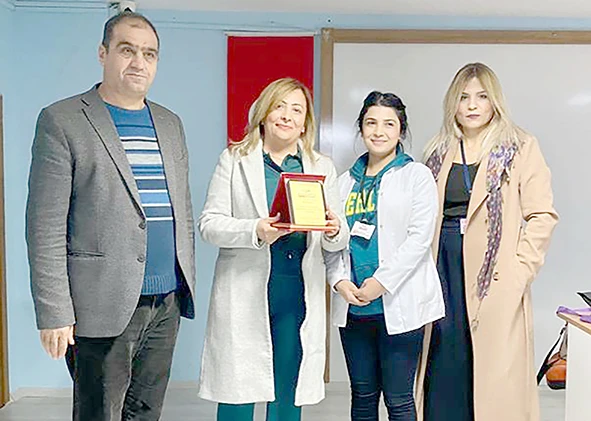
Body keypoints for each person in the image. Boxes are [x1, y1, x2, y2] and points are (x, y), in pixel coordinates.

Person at [26, 11, 195, 421]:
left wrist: (182, 281)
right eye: (127, 50)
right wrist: (55, 312)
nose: (139, 62)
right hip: (100, 303)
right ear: (103, 54)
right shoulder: (63, 120)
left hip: (166, 301)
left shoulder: (170, 124)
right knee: (98, 413)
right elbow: (45, 226)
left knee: (146, 413)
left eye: (149, 54)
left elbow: (182, 211)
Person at [198, 77, 348, 421]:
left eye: (297, 110)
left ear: (305, 123)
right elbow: (209, 224)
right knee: (238, 391)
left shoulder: (321, 166)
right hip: (246, 286)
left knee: (287, 391)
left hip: (296, 291)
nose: (287, 116)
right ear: (264, 113)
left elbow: (338, 237)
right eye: (279, 106)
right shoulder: (234, 159)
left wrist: (335, 228)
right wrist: (255, 230)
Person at [421, 62, 558, 421]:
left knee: (491, 374)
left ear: (494, 100)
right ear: (452, 102)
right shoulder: (437, 151)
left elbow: (542, 215)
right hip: (442, 268)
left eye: (481, 96)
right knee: (444, 362)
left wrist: (518, 272)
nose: (472, 105)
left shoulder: (519, 146)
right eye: (463, 97)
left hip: (493, 274)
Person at [325, 91, 444, 421]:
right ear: (361, 128)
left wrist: (381, 283)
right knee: (362, 396)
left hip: (398, 301)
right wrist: (339, 282)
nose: (379, 131)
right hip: (354, 304)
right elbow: (330, 240)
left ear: (401, 130)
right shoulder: (343, 182)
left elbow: (419, 239)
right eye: (371, 123)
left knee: (399, 399)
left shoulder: (416, 176)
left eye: (389, 124)